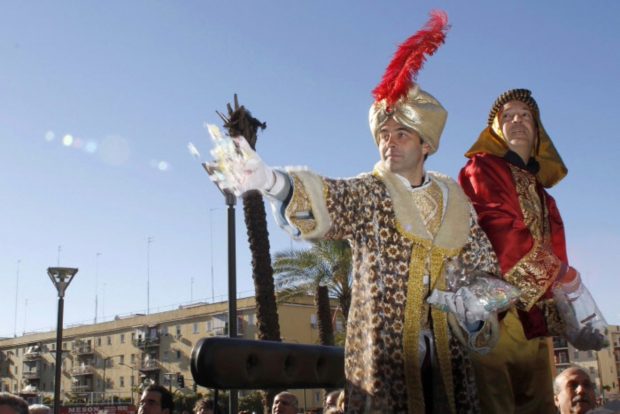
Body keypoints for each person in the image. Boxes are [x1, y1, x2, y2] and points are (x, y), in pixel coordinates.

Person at [206, 11, 505, 413]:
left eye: (402, 134)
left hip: (450, 372)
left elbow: (487, 272)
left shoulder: (458, 206)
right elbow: (331, 197)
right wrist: (268, 179)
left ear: (426, 145)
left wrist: (473, 306)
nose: (390, 143)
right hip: (384, 372)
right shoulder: (372, 192)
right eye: (384, 134)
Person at [459, 88, 608, 414]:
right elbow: (501, 231)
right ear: (496, 130)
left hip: (535, 320)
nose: (517, 120)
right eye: (507, 116)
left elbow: (557, 252)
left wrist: (567, 311)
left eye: (525, 115)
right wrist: (561, 274)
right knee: (495, 404)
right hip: (493, 315)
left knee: (540, 405)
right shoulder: (482, 169)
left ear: (537, 130)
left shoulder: (545, 197)